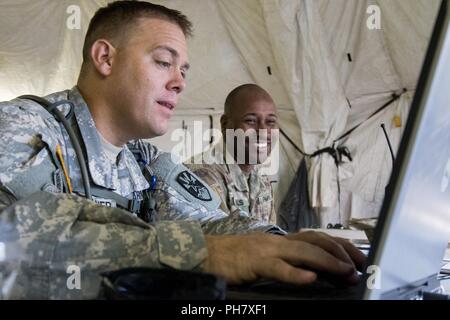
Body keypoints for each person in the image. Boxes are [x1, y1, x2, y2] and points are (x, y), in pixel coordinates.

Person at [0, 1, 365, 299]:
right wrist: (202, 252)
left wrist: (278, 244)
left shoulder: (141, 159)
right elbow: (11, 249)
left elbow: (205, 220)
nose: (179, 83)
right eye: (163, 62)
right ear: (105, 59)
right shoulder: (23, 128)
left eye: (184, 71)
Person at [187, 84, 278, 225]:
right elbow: (215, 243)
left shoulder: (261, 178)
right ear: (225, 124)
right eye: (251, 121)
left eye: (270, 122)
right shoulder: (199, 175)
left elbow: (272, 235)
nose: (263, 130)